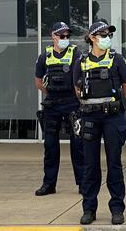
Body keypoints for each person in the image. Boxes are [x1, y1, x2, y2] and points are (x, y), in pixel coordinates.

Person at [74, 21, 126, 225]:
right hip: (90, 117)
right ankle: (89, 209)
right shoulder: (81, 61)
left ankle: (117, 208)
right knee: (90, 165)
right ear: (92, 37)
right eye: (103, 33)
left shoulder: (117, 59)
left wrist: (115, 106)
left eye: (109, 34)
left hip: (112, 117)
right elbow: (77, 89)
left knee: (114, 163)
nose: (107, 37)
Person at [34, 22, 84, 196]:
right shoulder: (44, 57)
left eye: (67, 36)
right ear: (53, 36)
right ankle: (49, 184)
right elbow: (38, 81)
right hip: (52, 105)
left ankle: (82, 183)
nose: (65, 39)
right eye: (61, 36)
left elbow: (80, 79)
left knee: (78, 146)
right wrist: (52, 94)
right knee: (50, 146)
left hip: (72, 103)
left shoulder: (76, 54)